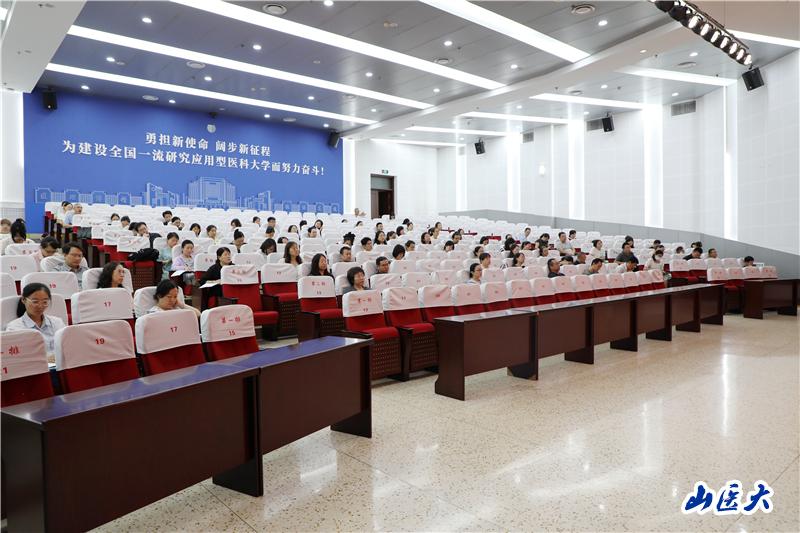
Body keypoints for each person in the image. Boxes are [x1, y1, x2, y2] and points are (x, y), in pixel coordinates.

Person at [4, 283, 66, 356]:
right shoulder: (14, 328)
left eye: (45, 302)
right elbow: (18, 356)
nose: (40, 306)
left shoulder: (58, 322)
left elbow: (67, 346)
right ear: (23, 300)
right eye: (35, 302)